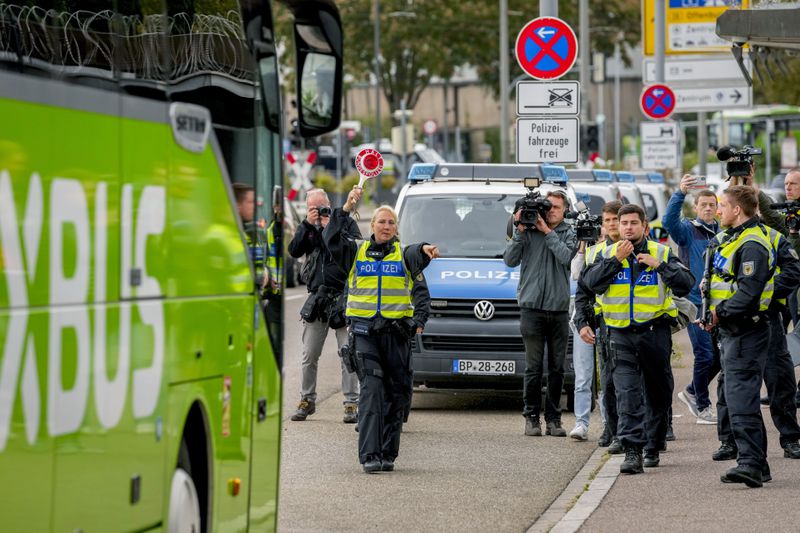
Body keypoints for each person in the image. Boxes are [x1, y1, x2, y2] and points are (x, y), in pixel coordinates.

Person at [325, 187, 436, 473]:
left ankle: (388, 453)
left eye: (391, 223)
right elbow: (331, 238)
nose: (386, 226)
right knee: (372, 391)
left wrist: (418, 322)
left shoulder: (404, 254)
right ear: (371, 225)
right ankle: (369, 455)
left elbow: (421, 287)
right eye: (381, 222)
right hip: (364, 334)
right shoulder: (356, 250)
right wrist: (347, 206)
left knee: (395, 394)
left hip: (396, 335)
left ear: (396, 228)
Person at [581, 204, 694, 474]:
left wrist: (660, 266)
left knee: (658, 392)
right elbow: (588, 285)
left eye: (634, 223)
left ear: (644, 226)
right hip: (619, 333)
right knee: (627, 394)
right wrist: (614, 262)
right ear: (618, 227)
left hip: (654, 333)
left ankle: (653, 445)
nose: (628, 227)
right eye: (624, 223)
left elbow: (686, 283)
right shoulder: (606, 254)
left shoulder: (661, 252)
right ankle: (632, 452)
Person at [702, 186, 775, 487]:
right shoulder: (733, 239)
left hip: (746, 329)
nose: (718, 210)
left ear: (737, 210)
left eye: (722, 205)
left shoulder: (753, 243)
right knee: (739, 396)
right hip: (734, 330)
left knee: (740, 398)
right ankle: (759, 464)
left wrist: (721, 313)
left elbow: (749, 293)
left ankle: (750, 465)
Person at [504, 189, 577, 437]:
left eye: (557, 207)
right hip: (531, 308)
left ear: (565, 209)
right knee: (533, 367)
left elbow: (567, 258)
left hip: (557, 309)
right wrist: (519, 233)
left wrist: (547, 231)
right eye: (549, 206)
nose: (551, 211)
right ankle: (531, 418)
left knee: (557, 368)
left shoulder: (570, 233)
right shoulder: (528, 229)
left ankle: (554, 420)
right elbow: (510, 260)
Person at [288, 188, 360, 423]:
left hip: (342, 296)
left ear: (330, 203)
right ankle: (307, 400)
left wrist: (332, 225)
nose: (320, 212)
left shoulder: (344, 223)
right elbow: (294, 250)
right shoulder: (308, 228)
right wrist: (307, 225)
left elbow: (353, 249)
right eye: (314, 208)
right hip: (317, 297)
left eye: (323, 207)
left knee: (347, 352)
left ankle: (351, 402)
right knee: (309, 354)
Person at [662, 176, 720, 425]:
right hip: (695, 302)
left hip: (718, 303)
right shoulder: (688, 231)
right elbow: (668, 222)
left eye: (711, 204)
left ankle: (693, 391)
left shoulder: (722, 232)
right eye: (703, 204)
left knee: (718, 358)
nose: (707, 208)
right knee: (705, 355)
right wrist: (680, 193)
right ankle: (702, 406)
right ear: (696, 207)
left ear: (717, 207)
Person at [570, 200, 622, 447]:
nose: (611, 224)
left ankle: (616, 428)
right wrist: (582, 322)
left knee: (618, 381)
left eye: (616, 220)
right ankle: (597, 427)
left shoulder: (635, 249)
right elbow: (581, 285)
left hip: (624, 326)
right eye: (607, 220)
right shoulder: (595, 251)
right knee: (596, 379)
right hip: (596, 324)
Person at [754, 168, 800, 406]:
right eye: (787, 184)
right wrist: (755, 190)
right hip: (791, 290)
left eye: (793, 184)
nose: (788, 187)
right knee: (779, 341)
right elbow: (773, 218)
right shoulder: (792, 214)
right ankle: (780, 390)